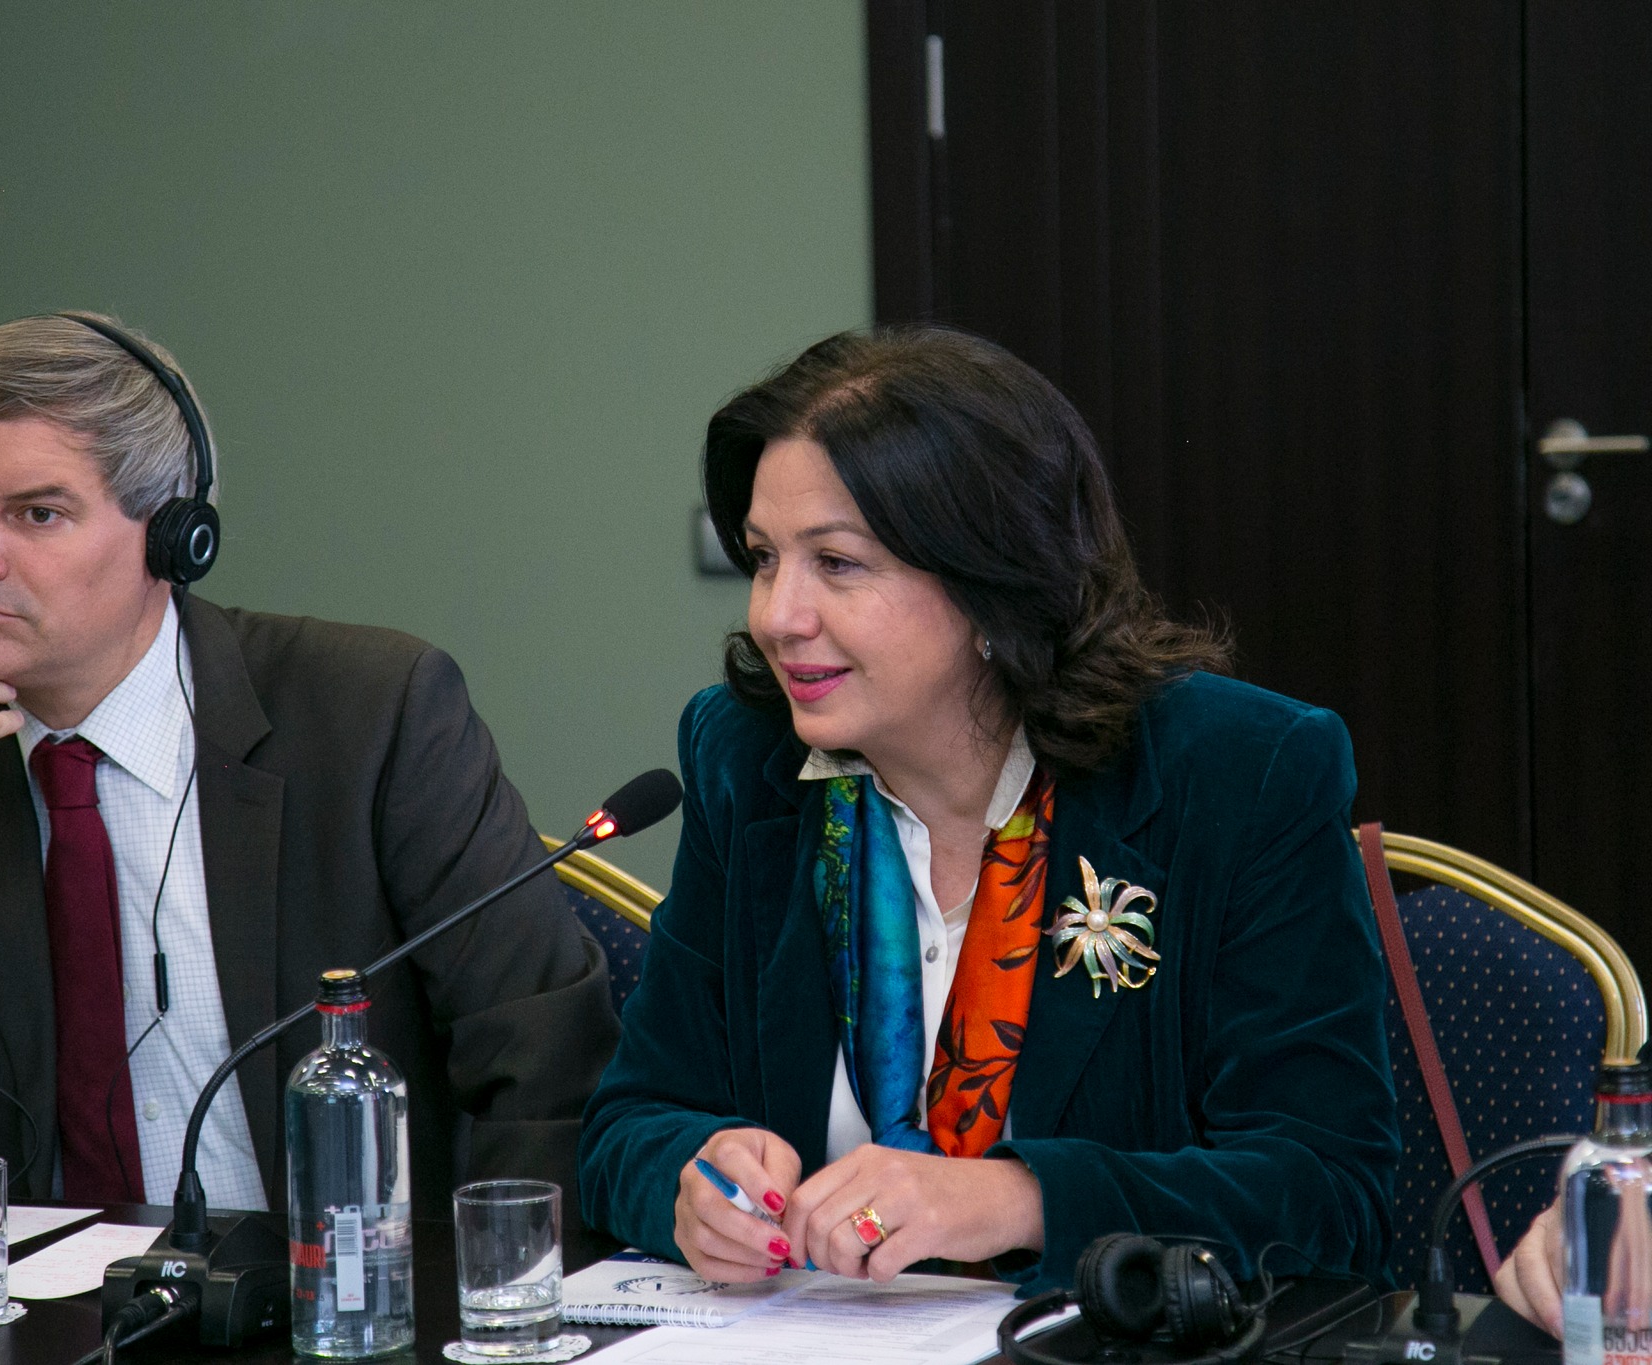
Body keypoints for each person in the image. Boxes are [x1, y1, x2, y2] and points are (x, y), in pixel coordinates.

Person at [0, 312, 617, 1217]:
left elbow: (547, 1072)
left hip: (343, 1290)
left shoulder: (372, 713)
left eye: (38, 513)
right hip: (44, 1303)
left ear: (175, 540)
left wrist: (479, 1288)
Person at [579, 328, 1400, 1296]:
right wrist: (690, 1182)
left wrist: (1018, 1199)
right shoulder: (747, 762)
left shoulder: (1238, 775)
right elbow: (628, 1123)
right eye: (764, 558)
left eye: (836, 563)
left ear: (988, 578)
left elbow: (1331, 1198)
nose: (775, 615)